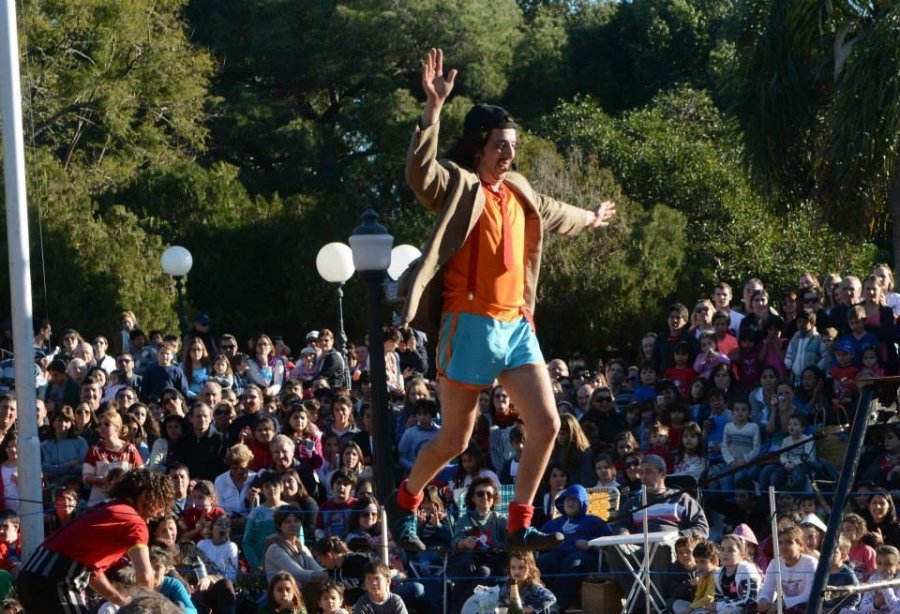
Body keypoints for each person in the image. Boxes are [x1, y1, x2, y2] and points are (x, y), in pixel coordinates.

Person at [390, 47, 615, 553]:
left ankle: (519, 523)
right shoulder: (459, 184)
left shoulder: (517, 188)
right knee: (455, 440)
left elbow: (553, 210)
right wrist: (432, 110)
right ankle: (404, 501)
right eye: (500, 145)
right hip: (468, 323)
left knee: (548, 424)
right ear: (478, 147)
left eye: (513, 145)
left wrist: (590, 218)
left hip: (515, 325)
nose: (509, 154)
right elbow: (420, 174)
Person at [17, 468, 173, 611]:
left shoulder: (105, 508)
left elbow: (91, 573)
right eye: (161, 504)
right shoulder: (134, 522)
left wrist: (119, 599)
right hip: (55, 582)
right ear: (145, 495)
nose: (161, 513)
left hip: (29, 576)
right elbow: (145, 576)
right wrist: (150, 607)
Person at [606, 454, 709, 606]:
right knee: (615, 549)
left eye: (648, 472)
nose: (643, 477)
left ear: (663, 473)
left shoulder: (682, 499)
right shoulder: (634, 503)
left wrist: (678, 536)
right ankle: (639, 603)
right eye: (641, 473)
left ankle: (658, 605)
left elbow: (701, 528)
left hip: (672, 547)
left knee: (660, 546)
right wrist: (623, 533)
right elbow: (620, 524)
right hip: (639, 548)